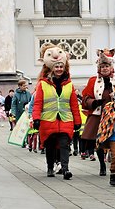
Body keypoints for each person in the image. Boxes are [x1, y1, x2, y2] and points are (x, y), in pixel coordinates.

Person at [32, 44, 82, 180]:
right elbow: (38, 103)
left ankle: (65, 169)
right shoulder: (43, 84)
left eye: (61, 67)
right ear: (52, 69)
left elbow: (74, 105)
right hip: (48, 120)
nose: (59, 69)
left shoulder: (69, 84)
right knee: (50, 146)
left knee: (65, 145)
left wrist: (78, 121)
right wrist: (36, 118)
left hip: (66, 119)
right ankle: (50, 167)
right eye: (57, 67)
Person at [80, 49, 115, 176]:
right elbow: (85, 98)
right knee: (98, 141)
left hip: (114, 116)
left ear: (111, 67)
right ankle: (102, 164)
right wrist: (93, 102)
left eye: (107, 66)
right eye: (102, 66)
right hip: (99, 115)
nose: (105, 68)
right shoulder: (93, 80)